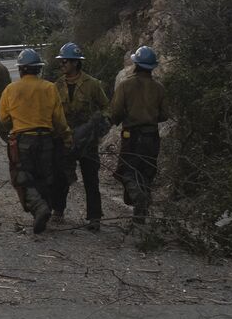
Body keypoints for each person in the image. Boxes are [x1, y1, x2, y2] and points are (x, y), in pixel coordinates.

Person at [0, 48, 71, 234]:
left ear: (21, 70)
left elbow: (3, 119)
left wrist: (16, 123)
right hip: (46, 139)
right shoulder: (50, 88)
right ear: (38, 69)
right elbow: (59, 120)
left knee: (22, 177)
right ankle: (43, 212)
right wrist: (66, 137)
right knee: (44, 177)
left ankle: (39, 208)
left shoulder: (10, 89)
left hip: (23, 139)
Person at [108, 45, 169, 224]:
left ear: (136, 64)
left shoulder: (125, 85)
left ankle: (138, 198)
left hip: (131, 136)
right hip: (152, 136)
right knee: (146, 173)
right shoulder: (159, 88)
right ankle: (139, 217)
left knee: (127, 171)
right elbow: (165, 115)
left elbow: (116, 112)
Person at [54, 43, 110, 229]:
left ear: (76, 63)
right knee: (62, 176)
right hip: (65, 138)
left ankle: (94, 218)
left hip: (87, 140)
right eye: (61, 61)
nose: (62, 64)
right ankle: (58, 211)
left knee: (90, 179)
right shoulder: (57, 85)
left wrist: (99, 124)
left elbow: (106, 107)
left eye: (66, 61)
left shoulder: (92, 84)